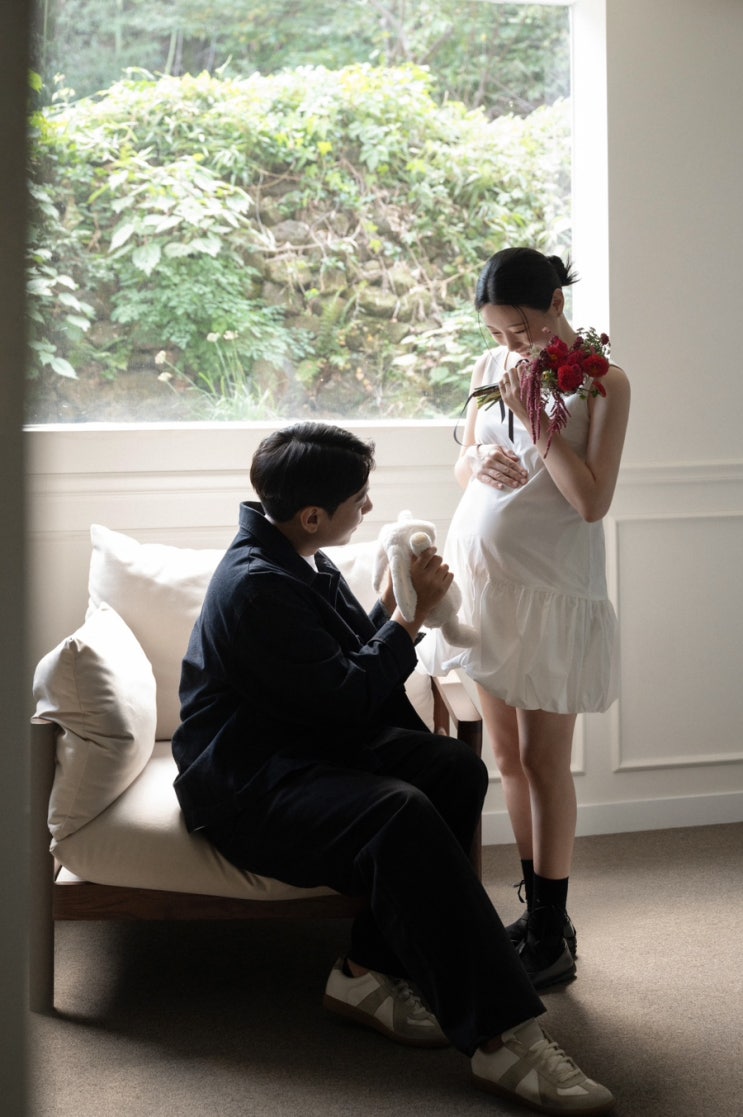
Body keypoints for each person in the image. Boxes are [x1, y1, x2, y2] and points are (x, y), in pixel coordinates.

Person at [172, 421, 615, 1115]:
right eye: (359, 499)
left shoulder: (296, 554)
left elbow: (346, 661)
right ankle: (504, 1036)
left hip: (299, 744)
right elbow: (348, 696)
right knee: (399, 813)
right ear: (312, 514)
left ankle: (366, 970)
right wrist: (407, 623)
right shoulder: (257, 585)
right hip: (247, 785)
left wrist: (392, 600)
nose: (368, 508)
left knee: (453, 769)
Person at [418, 247, 631, 991]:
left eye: (519, 329)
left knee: (545, 761)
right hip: (486, 581)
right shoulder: (490, 367)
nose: (509, 345)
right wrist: (476, 463)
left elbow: (591, 501)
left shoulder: (604, 383)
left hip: (551, 588)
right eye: (496, 332)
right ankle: (539, 916)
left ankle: (551, 929)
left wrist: (537, 421)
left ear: (554, 305)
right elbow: (465, 460)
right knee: (506, 758)